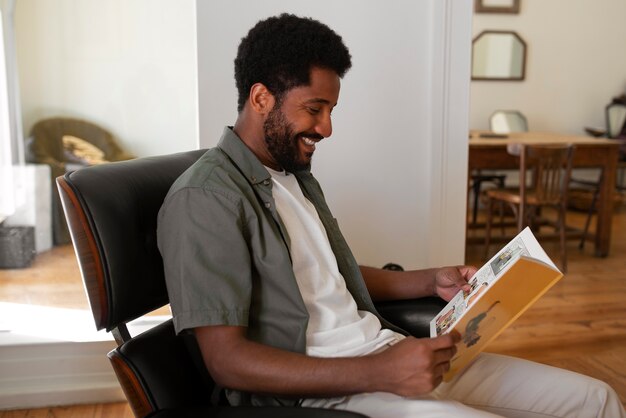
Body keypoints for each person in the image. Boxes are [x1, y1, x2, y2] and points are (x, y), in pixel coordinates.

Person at [157, 13, 625, 418]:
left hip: (388, 352)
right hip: (321, 393)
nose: (327, 128)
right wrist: (380, 372)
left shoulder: (291, 175)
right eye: (315, 109)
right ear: (261, 99)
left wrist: (430, 280)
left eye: (331, 110)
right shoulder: (205, 198)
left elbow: (322, 275)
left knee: (596, 399)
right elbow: (227, 361)